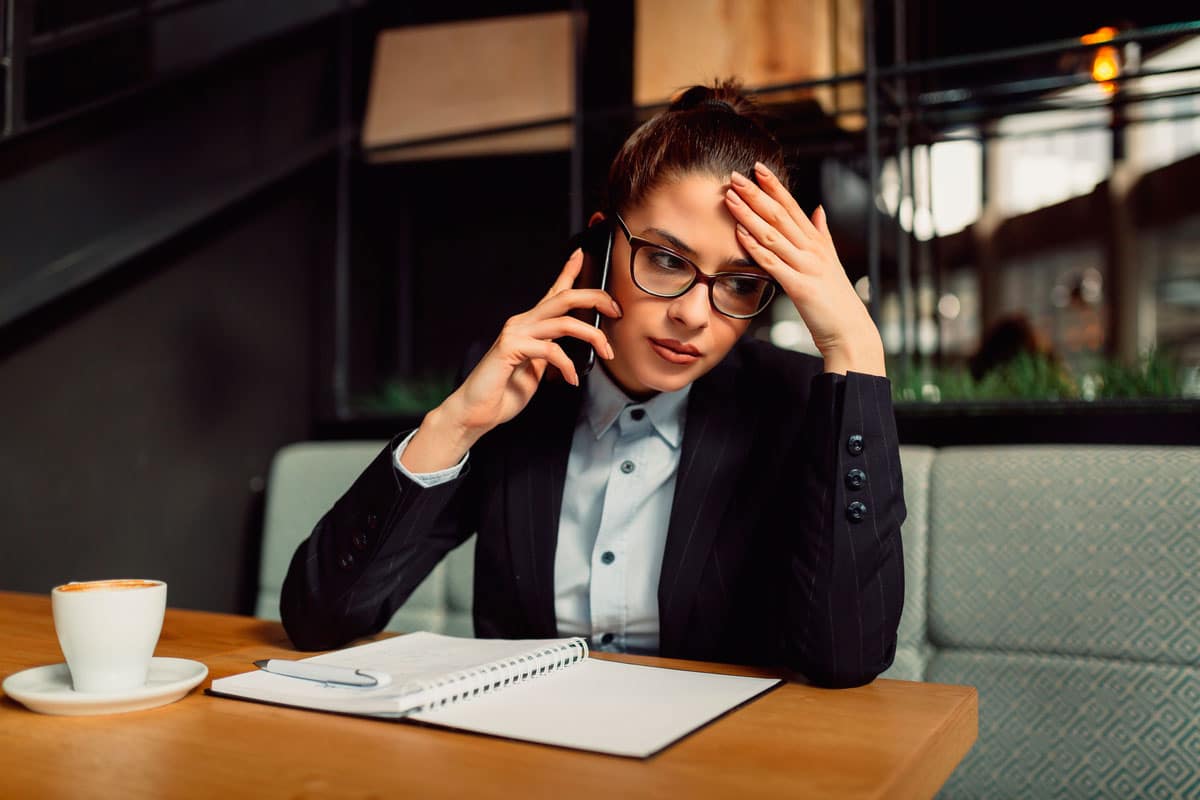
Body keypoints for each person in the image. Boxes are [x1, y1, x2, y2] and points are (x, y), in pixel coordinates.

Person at [281, 82, 906, 688]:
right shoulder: (521, 392)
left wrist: (856, 348)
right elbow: (319, 617)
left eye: (739, 282)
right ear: (602, 243)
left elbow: (844, 658)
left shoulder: (791, 403)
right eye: (666, 259)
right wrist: (455, 426)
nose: (693, 314)